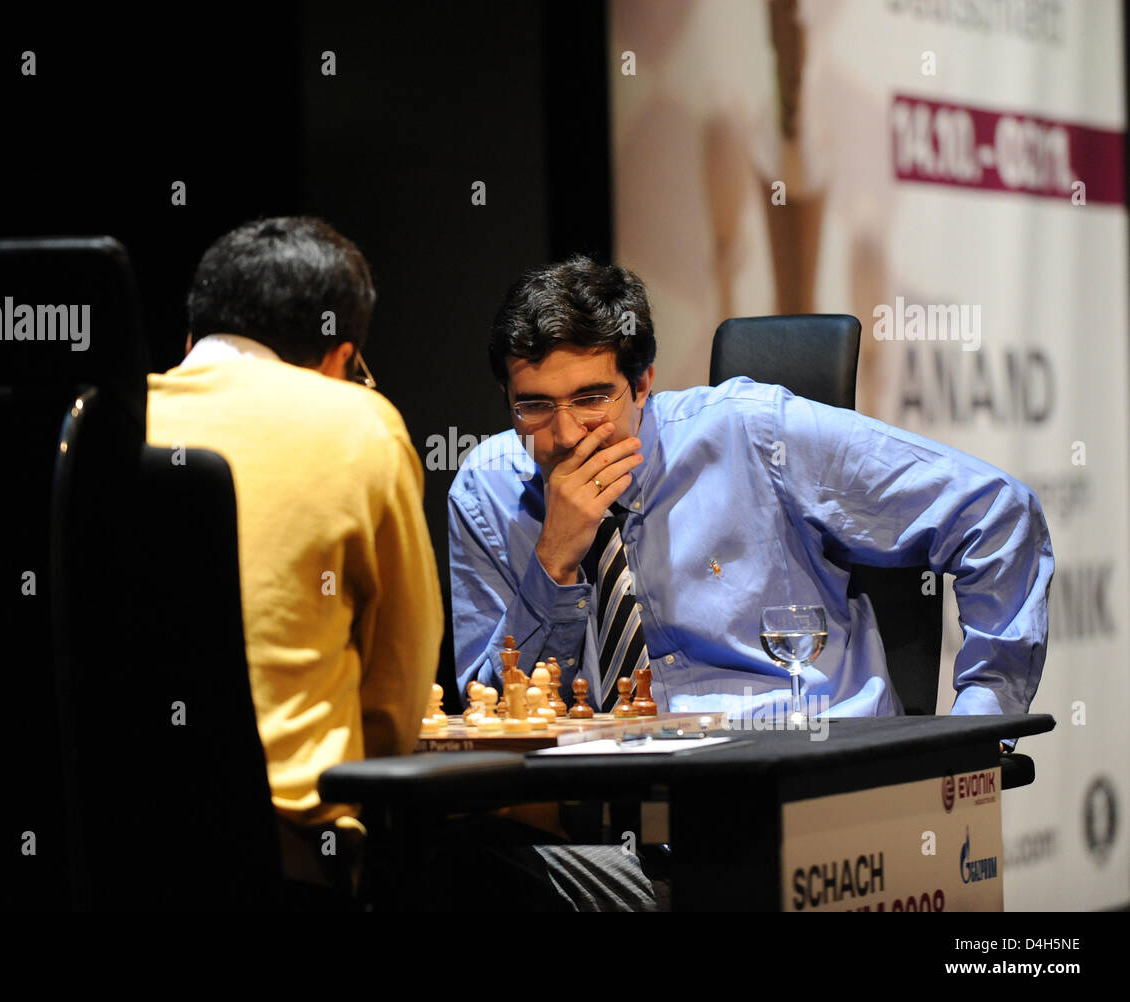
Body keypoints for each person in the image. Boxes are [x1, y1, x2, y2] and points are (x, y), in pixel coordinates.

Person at [449, 255, 1052, 745]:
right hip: (610, 814)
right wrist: (552, 564)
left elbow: (998, 513)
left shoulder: (755, 432)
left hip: (804, 780)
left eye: (591, 399)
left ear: (643, 384)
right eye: (534, 406)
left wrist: (980, 725)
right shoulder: (487, 488)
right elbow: (492, 719)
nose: (566, 434)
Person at [148, 217, 443, 889]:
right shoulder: (356, 422)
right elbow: (400, 674)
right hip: (282, 851)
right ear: (341, 359)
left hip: (95, 844)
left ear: (193, 339)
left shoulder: (92, 425)